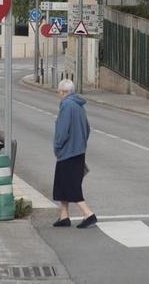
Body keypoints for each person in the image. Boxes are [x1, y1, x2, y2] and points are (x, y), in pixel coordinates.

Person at [52, 79, 96, 228]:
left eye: (59, 92)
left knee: (71, 185)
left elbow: (62, 131)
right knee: (62, 184)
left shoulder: (66, 105)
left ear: (64, 92)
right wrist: (81, 143)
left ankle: (88, 214)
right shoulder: (79, 106)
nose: (59, 95)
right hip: (78, 151)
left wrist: (57, 147)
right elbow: (87, 128)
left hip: (67, 152)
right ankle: (64, 216)